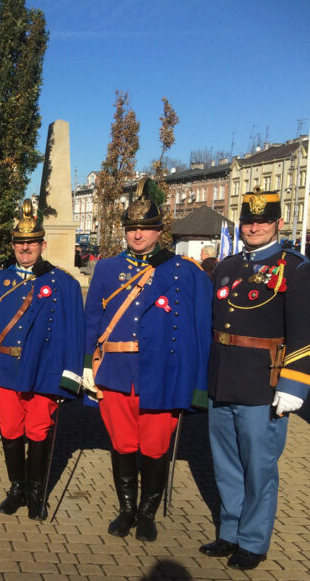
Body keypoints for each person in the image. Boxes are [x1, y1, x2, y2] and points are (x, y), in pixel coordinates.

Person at [82, 177, 212, 542]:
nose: (137, 235)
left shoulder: (185, 272)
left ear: (159, 230)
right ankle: (126, 509)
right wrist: (84, 364)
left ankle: (147, 513)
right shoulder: (107, 269)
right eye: (131, 228)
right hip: (117, 372)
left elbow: (200, 330)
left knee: (155, 446)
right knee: (122, 443)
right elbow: (93, 319)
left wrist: (197, 384)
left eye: (145, 228)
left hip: (164, 375)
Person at [201, 188, 310, 570]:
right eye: (248, 221)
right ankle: (229, 532)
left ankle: (253, 540)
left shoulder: (295, 268)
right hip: (223, 378)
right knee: (226, 463)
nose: (254, 227)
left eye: (263, 221)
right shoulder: (229, 266)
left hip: (263, 384)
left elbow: (303, 331)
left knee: (259, 466)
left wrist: (294, 384)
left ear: (278, 223)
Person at [0, 200, 84, 519]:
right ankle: (17, 488)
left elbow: (75, 334)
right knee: (9, 429)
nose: (25, 248)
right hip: (6, 368)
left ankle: (37, 493)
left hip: (44, 371)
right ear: (13, 245)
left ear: (42, 244)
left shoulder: (65, 284)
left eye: (31, 243)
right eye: (20, 243)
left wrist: (70, 376)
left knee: (38, 429)